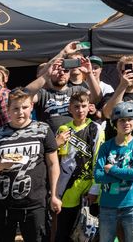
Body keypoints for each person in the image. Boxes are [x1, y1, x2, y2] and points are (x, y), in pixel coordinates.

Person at [0, 88, 62, 242]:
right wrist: (1, 165)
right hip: (3, 205)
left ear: (31, 106)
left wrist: (54, 195)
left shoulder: (42, 129)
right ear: (7, 110)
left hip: (34, 203)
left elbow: (53, 164)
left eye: (24, 107)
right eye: (16, 108)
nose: (20, 112)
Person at [54, 91, 105, 242]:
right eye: (76, 106)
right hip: (66, 189)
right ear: (69, 108)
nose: (80, 110)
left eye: (83, 106)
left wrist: (95, 188)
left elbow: (98, 159)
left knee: (87, 234)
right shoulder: (63, 129)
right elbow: (56, 160)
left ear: (89, 107)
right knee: (64, 232)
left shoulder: (96, 128)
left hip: (88, 190)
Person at [94, 101, 133, 242]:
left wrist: (111, 169)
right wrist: (124, 175)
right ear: (115, 124)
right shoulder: (106, 147)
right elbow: (98, 176)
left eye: (130, 119)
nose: (126, 123)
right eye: (122, 120)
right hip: (107, 205)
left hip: (131, 205)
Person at [26, 43, 102, 132]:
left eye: (65, 70)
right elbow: (26, 94)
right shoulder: (43, 93)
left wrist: (89, 74)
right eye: (58, 70)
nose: (62, 73)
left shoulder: (77, 91)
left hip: (75, 140)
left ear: (70, 73)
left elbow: (97, 97)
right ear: (51, 72)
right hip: (51, 142)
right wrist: (47, 74)